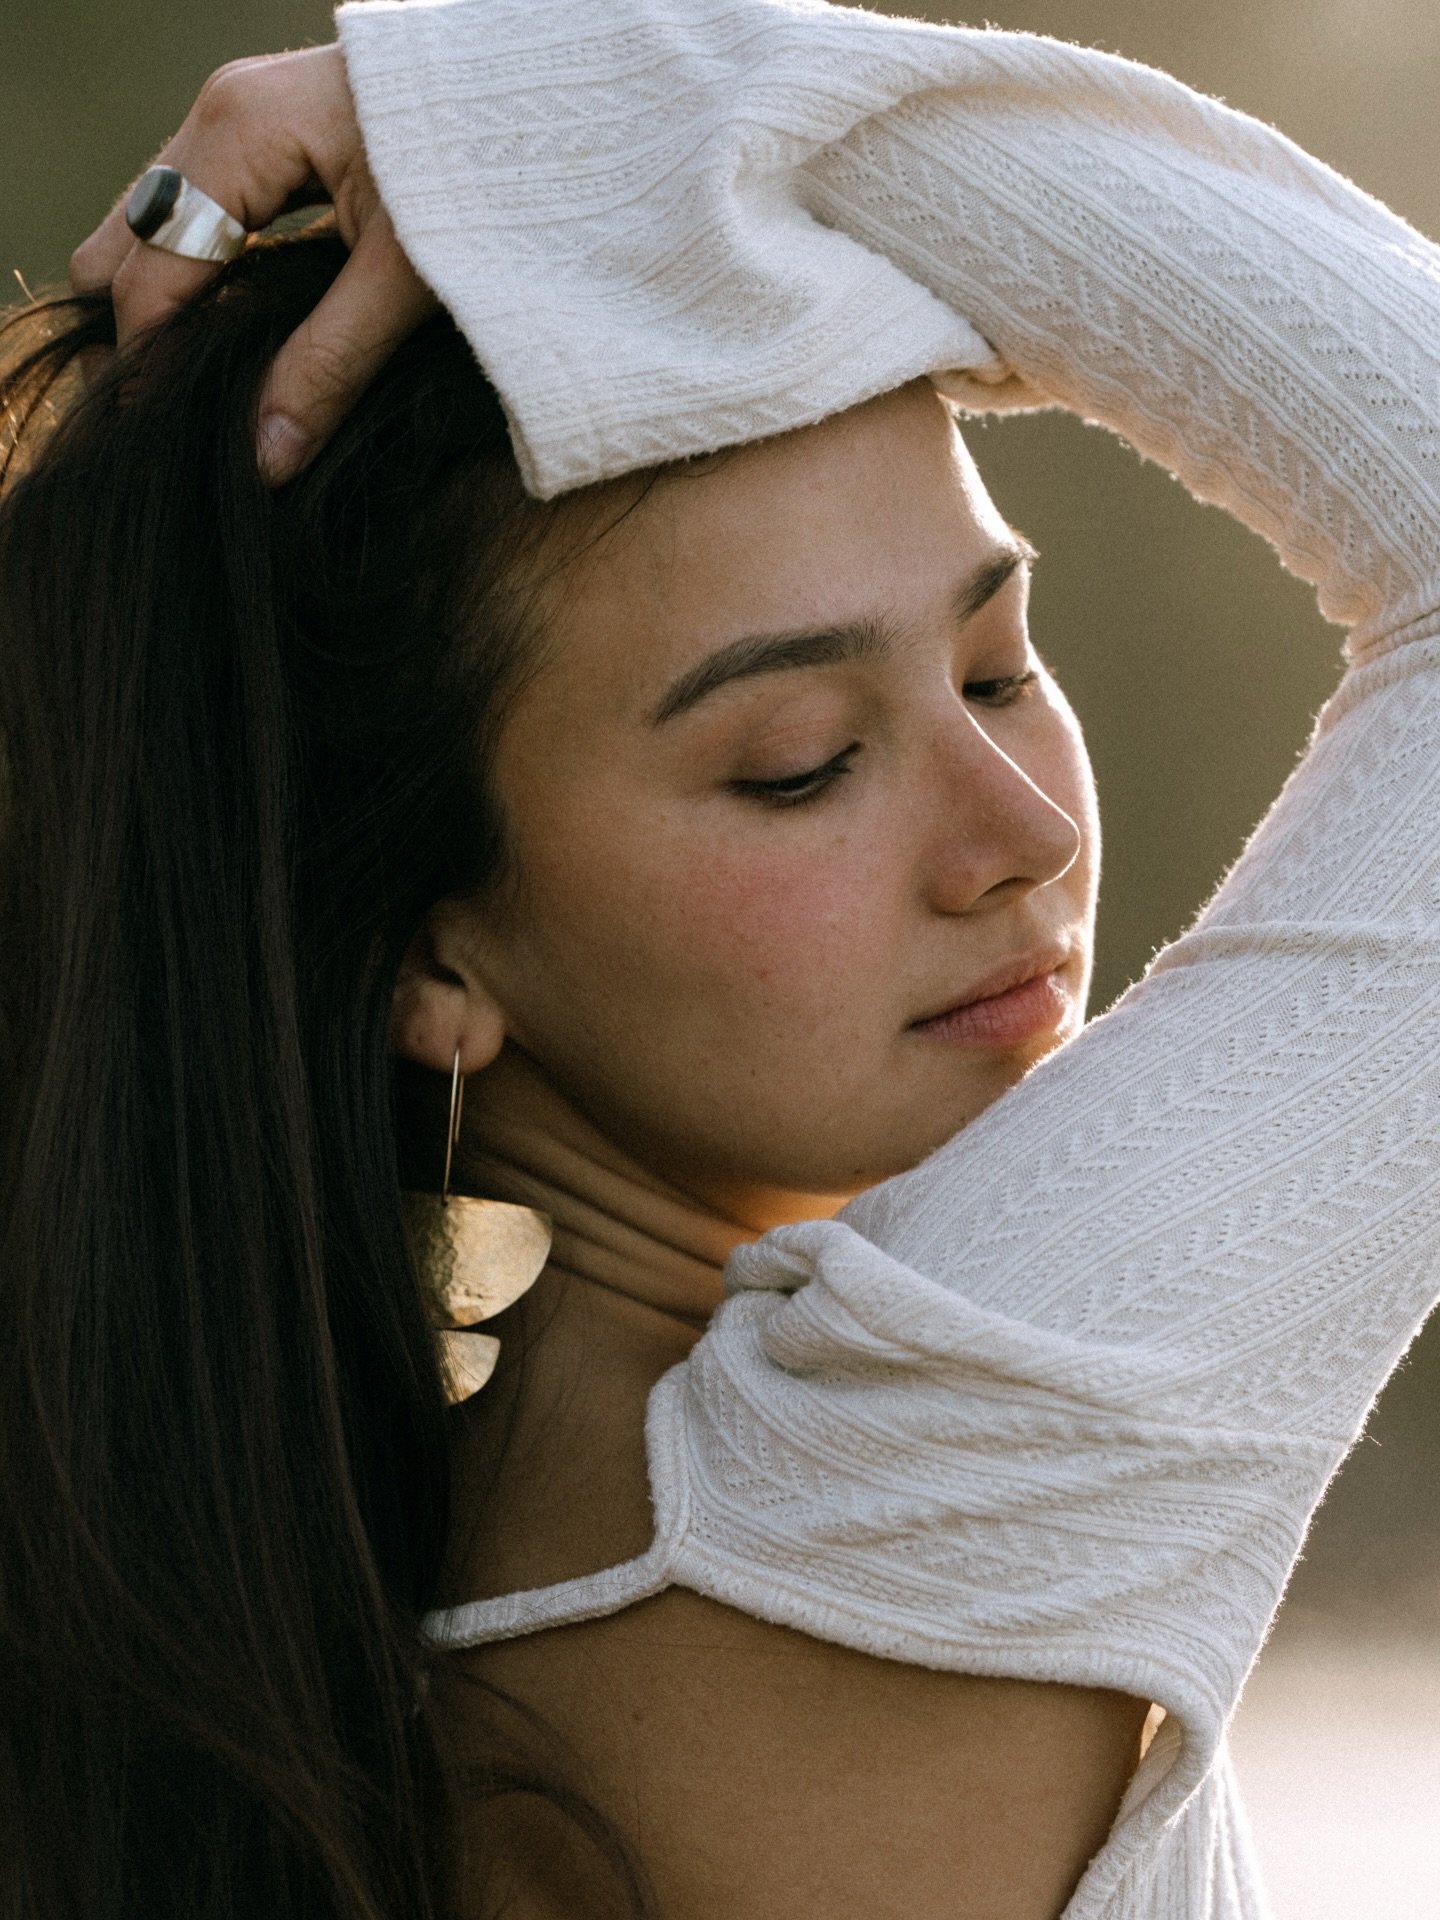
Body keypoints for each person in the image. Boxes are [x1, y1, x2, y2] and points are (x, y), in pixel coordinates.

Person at [6, 2, 1439, 1917]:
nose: (1019, 830)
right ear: (430, 957)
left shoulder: (273, 1631)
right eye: (800, 765)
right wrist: (591, 119)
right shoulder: (929, 1457)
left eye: (1000, 663)